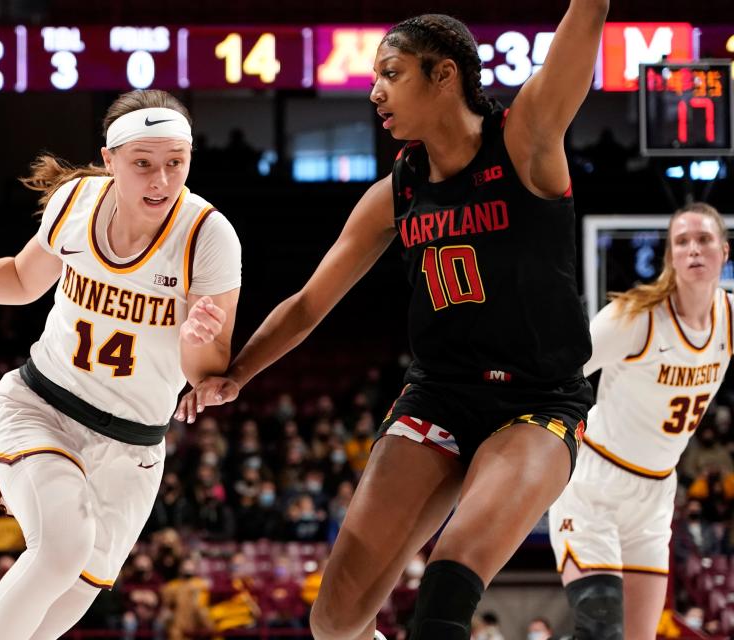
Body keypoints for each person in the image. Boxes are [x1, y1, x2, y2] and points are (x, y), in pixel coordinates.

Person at [176, 5, 607, 639]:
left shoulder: (525, 139)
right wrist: (235, 374)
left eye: (391, 73)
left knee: (446, 586)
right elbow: (307, 305)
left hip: (535, 401)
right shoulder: (395, 192)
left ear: (444, 76)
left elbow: (587, 19)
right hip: (439, 395)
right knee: (334, 620)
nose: (375, 90)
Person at [0, 89, 242, 639]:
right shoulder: (75, 202)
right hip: (40, 406)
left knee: (60, 609)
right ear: (110, 159)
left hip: (134, 450)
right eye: (143, 164)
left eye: (174, 164)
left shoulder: (208, 236)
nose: (160, 181)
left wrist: (195, 338)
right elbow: (23, 280)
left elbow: (205, 371)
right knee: (61, 548)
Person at [549, 203, 733, 640]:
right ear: (670, 256)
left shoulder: (729, 317)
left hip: (655, 493)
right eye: (682, 241)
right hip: (593, 485)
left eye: (704, 239)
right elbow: (557, 371)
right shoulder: (636, 317)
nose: (693, 249)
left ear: (724, 252)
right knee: (601, 626)